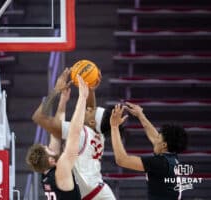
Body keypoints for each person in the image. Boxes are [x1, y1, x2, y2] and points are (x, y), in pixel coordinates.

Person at [32, 68, 116, 200]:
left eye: (90, 111)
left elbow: (39, 118)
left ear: (92, 122)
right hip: (97, 191)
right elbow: (90, 111)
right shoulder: (99, 133)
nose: (88, 109)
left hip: (91, 193)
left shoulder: (82, 133)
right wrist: (90, 88)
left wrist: (56, 92)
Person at [26, 75, 89, 199]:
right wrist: (82, 98)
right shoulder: (61, 170)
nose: (49, 147)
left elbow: (56, 133)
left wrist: (62, 101)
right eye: (48, 149)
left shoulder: (45, 174)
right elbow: (74, 133)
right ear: (51, 161)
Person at [110, 102, 188, 200]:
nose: (155, 139)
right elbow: (154, 136)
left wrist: (114, 127)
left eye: (159, 137)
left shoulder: (160, 163)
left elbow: (122, 160)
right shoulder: (172, 158)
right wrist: (140, 115)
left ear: (164, 145)